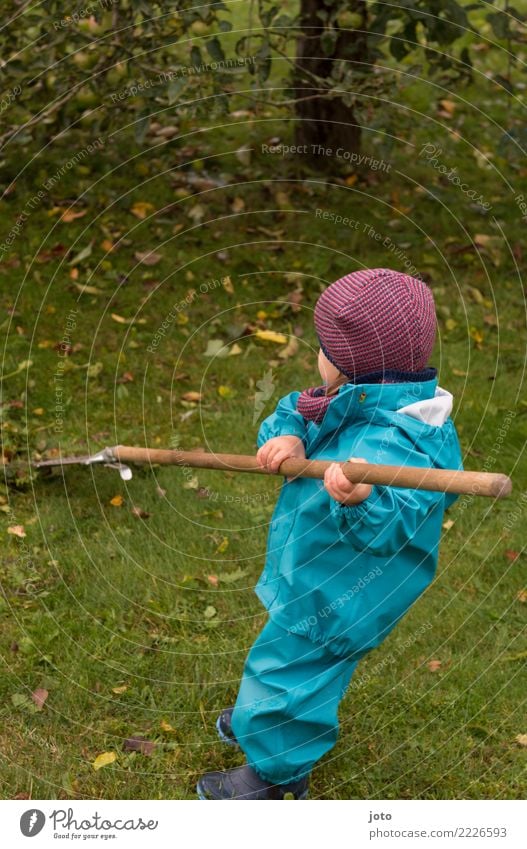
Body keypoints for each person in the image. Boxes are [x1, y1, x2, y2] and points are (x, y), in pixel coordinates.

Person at [197, 268, 463, 800]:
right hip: (316, 568)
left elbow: (398, 522)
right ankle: (266, 717)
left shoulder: (399, 444)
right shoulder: (361, 396)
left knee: (287, 670)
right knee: (298, 672)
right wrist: (289, 436)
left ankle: (275, 776)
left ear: (347, 360)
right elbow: (297, 409)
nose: (317, 357)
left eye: (322, 347)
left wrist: (364, 501)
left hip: (341, 591)